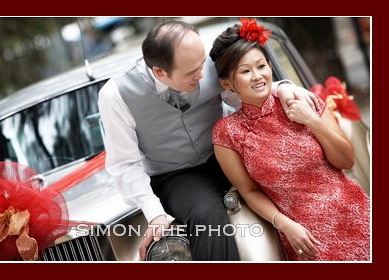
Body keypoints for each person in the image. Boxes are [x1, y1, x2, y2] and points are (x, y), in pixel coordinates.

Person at [98, 19, 319, 261]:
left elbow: (244, 98)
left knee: (281, 179)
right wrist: (155, 214)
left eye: (202, 65)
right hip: (176, 175)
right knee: (206, 215)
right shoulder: (115, 95)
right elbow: (125, 164)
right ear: (159, 72)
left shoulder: (206, 64)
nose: (203, 75)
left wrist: (283, 88)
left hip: (226, 152)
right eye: (192, 73)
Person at [210, 18, 370, 261]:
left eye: (261, 66)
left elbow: (346, 161)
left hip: (352, 212)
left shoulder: (302, 100)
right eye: (245, 71)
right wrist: (285, 225)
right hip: (303, 235)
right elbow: (249, 191)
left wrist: (312, 120)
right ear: (227, 83)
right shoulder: (227, 133)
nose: (257, 76)